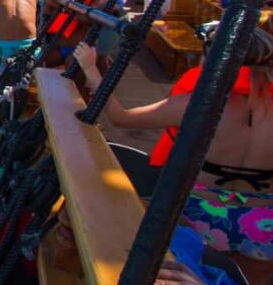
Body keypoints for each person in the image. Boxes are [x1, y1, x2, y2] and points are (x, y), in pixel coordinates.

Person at [73, 27, 273, 276]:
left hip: (201, 212)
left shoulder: (198, 104)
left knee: (191, 275)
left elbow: (120, 117)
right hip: (264, 218)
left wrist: (91, 70)